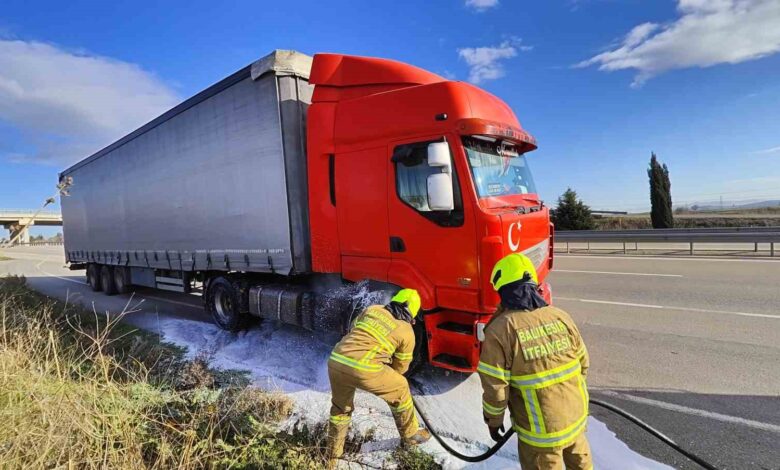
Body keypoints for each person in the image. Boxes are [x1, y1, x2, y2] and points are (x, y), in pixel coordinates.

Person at [478, 253, 592, 470]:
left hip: (541, 435)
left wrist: (494, 422)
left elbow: (496, 389)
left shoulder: (501, 330)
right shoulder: (560, 316)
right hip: (576, 420)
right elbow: (583, 364)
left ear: (502, 291)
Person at [325, 288, 431, 467]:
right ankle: (410, 435)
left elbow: (354, 329)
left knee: (340, 410)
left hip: (336, 360)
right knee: (401, 388)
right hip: (364, 368)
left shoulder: (373, 310)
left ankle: (332, 458)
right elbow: (400, 368)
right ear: (412, 315)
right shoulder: (406, 331)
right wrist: (384, 363)